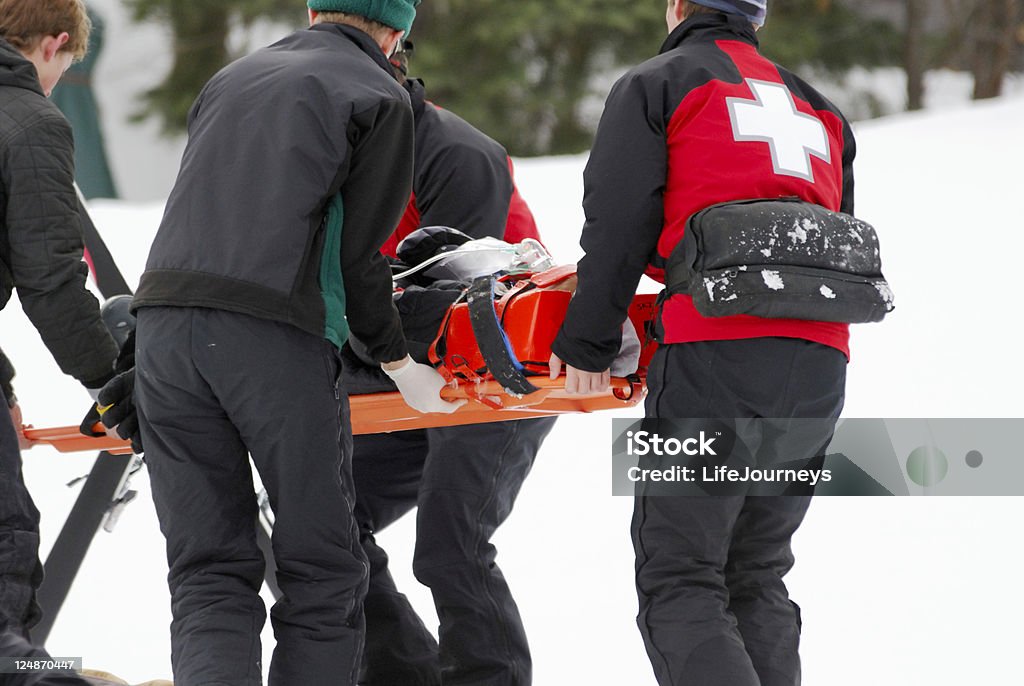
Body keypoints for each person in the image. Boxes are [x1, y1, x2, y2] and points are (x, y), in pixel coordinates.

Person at [129, 1, 462, 684]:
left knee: (208, 568)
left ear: (313, 11)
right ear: (398, 32)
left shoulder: (232, 77)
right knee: (324, 569)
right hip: (271, 335)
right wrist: (400, 363)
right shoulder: (377, 95)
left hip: (161, 328)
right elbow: (361, 259)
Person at [549, 1, 855, 685]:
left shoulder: (660, 82)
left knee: (681, 576)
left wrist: (588, 342)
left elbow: (619, 221)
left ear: (678, 7)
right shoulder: (820, 108)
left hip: (716, 350)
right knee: (757, 571)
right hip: (820, 362)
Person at [349, 45, 556, 686]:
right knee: (316, 522)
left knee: (452, 548)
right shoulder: (336, 162)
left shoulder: (453, 152)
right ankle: (403, 673)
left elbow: (465, 303)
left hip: (497, 364)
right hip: (406, 367)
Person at [1, 0, 119, 641]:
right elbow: (50, 281)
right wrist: (114, 379)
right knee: (4, 558)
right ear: (56, 44)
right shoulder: (30, 120)